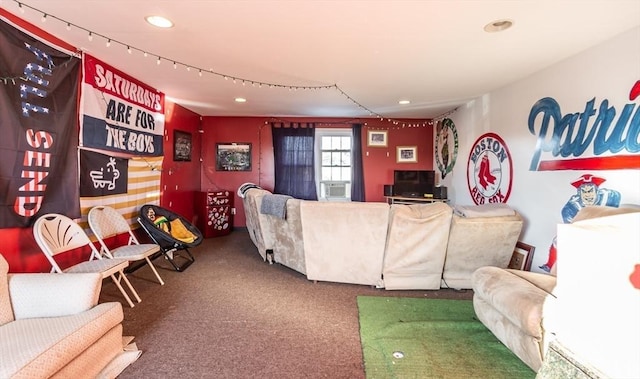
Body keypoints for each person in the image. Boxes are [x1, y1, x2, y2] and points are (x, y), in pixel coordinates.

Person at [539, 174, 621, 272]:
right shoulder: (570, 208)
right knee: (559, 240)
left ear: (597, 191)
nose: (587, 195)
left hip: (605, 228)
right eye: (584, 192)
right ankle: (550, 264)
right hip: (583, 230)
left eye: (590, 191)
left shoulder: (611, 196)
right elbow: (572, 230)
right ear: (579, 193)